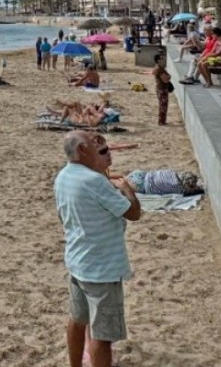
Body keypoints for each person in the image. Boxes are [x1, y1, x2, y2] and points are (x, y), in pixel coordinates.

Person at [54, 130, 141, 367]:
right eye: (95, 142)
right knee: (102, 335)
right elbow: (133, 213)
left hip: (78, 261)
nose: (102, 143)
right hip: (102, 269)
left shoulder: (64, 176)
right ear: (82, 150)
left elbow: (65, 217)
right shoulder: (94, 182)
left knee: (77, 319)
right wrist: (126, 189)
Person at [152, 52, 173, 125]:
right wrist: (169, 77)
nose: (163, 60)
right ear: (158, 60)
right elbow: (165, 79)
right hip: (162, 89)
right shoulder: (159, 69)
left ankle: (162, 121)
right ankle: (161, 121)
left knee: (162, 105)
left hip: (159, 88)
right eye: (161, 58)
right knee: (163, 106)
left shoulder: (157, 68)